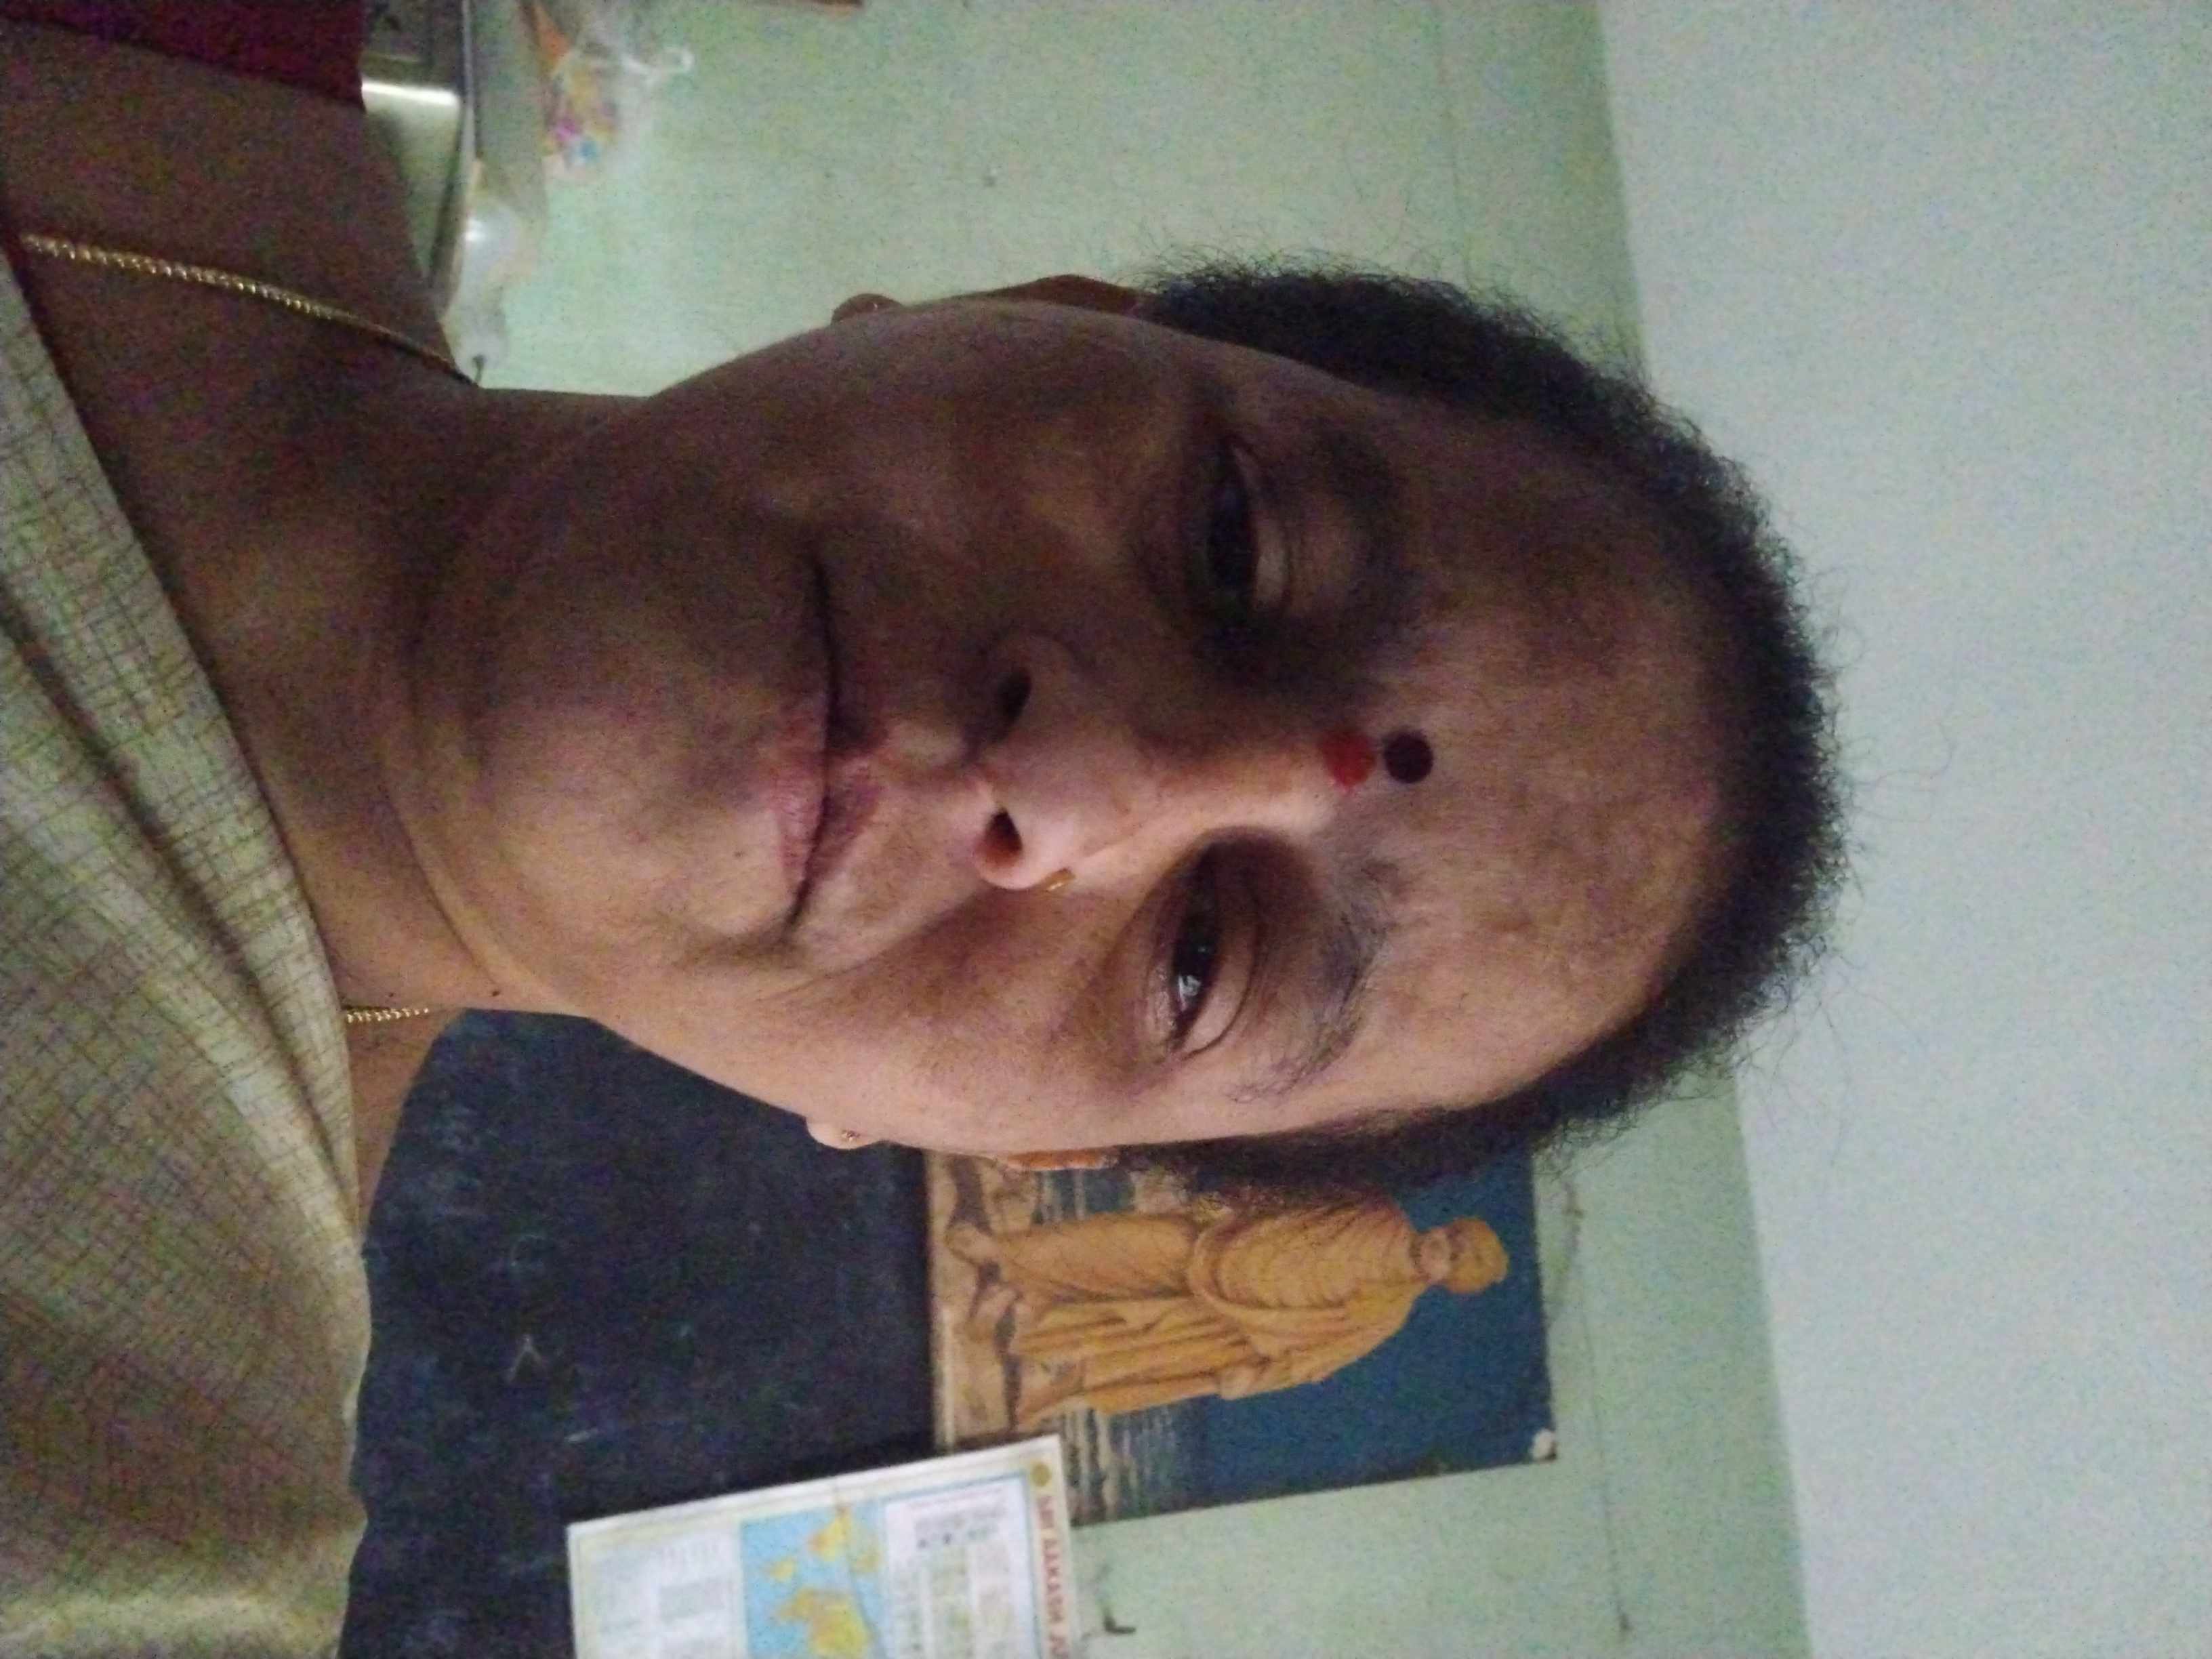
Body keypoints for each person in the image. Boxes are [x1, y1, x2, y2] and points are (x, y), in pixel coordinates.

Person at [0, 7, 1842, 1653]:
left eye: (1203, 960)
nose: (1074, 785)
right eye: (1231, 544)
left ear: (1003, 1142)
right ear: (1033, 310)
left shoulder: (125, 1477)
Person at [946, 1202, 1507, 1429]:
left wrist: (1253, 1381)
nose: (1442, 1247)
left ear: (1447, 1281)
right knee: (1124, 1243)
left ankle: (1020, 1323)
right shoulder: (1376, 1214)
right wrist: (1234, 1205)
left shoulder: (1386, 1316)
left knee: (1125, 1353)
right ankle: (1004, 1255)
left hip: (1228, 1330)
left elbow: (1313, 1361)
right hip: (1217, 1246)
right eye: (1451, 1237)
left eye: (1453, 1258)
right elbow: (1293, 1199)